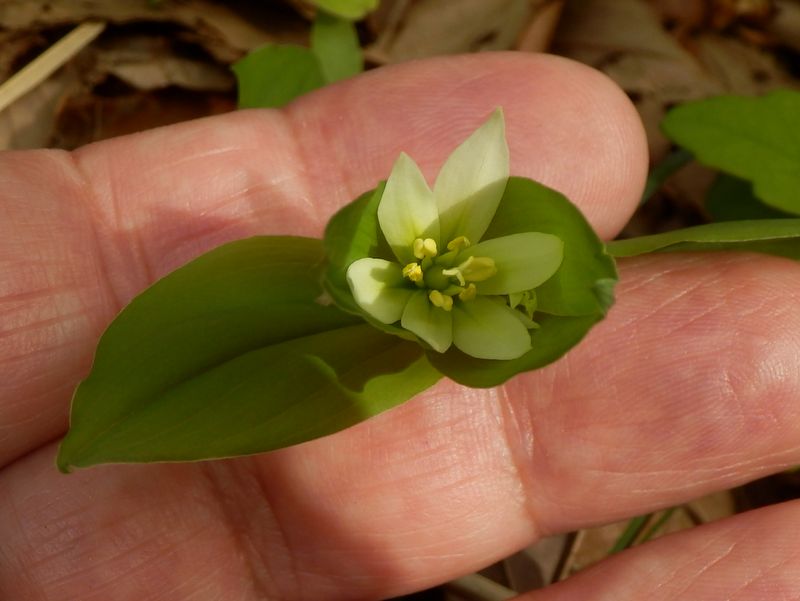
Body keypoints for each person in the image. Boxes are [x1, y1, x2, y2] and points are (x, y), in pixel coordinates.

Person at [1, 53, 798, 600]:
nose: (446, 268)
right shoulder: (379, 270)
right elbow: (375, 274)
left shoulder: (474, 307)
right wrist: (404, 278)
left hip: (423, 298)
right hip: (392, 278)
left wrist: (434, 288)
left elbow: (495, 336)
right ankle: (104, 429)